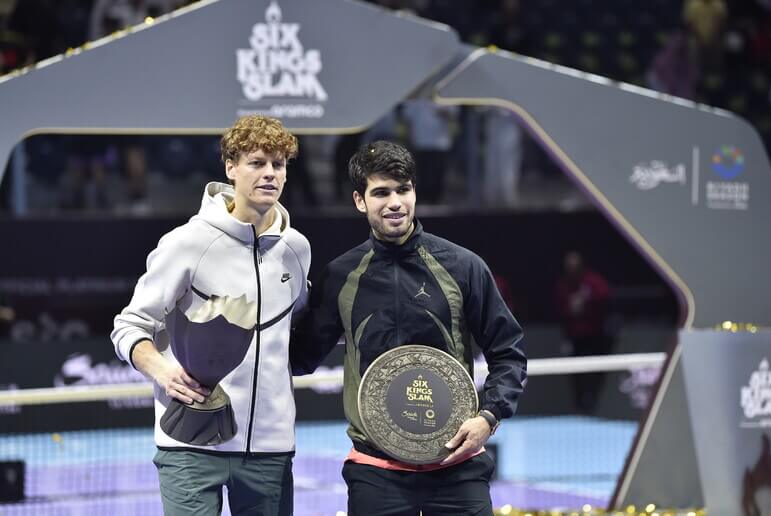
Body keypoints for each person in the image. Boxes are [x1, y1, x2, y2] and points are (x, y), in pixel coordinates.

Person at [290, 140, 527, 516]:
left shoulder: (464, 267)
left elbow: (508, 352)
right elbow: (299, 358)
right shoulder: (341, 277)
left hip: (458, 469)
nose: (395, 202)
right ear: (359, 200)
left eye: (403, 189)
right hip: (375, 472)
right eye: (381, 192)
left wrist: (489, 417)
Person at [111, 115, 310, 515]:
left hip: (270, 449)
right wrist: (163, 372)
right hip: (191, 443)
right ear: (230, 167)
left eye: (279, 164)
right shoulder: (187, 242)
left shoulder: (298, 249)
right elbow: (129, 325)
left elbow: (298, 330)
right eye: (257, 163)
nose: (269, 174)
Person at [554, 250, 612, 413]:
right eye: (569, 267)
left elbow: (605, 298)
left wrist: (587, 302)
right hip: (573, 337)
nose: (572, 269)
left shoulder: (593, 282)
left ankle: (594, 403)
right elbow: (559, 310)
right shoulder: (563, 286)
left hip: (594, 336)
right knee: (575, 374)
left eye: (575, 266)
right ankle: (578, 405)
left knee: (595, 371)